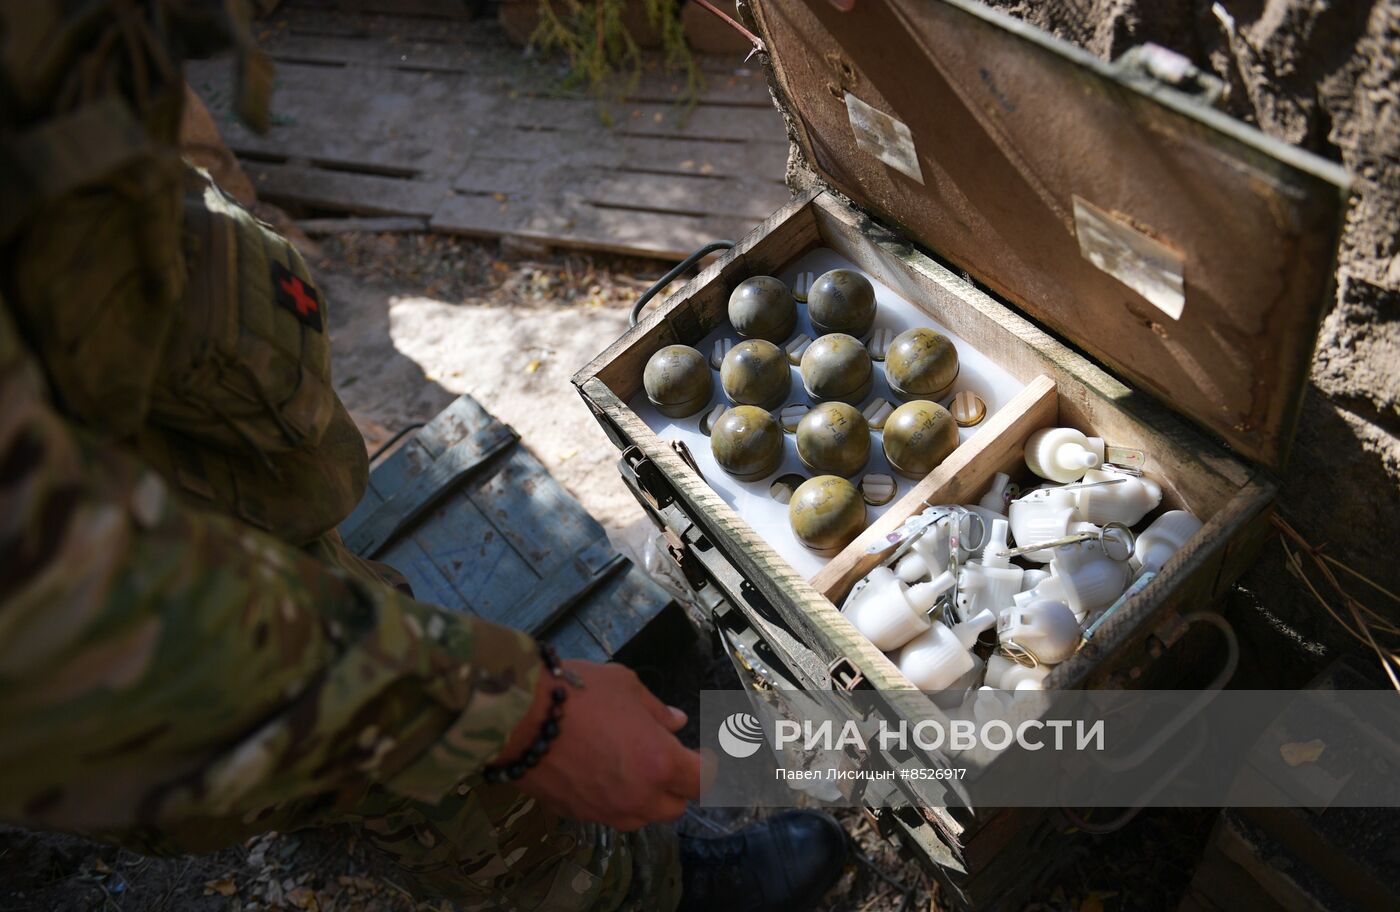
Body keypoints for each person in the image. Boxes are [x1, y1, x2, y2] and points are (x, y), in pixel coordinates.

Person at [0, 1, 848, 909]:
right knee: (410, 765)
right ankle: (620, 889)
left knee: (349, 647)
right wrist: (525, 717)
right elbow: (62, 599)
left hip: (176, 477)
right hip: (136, 632)